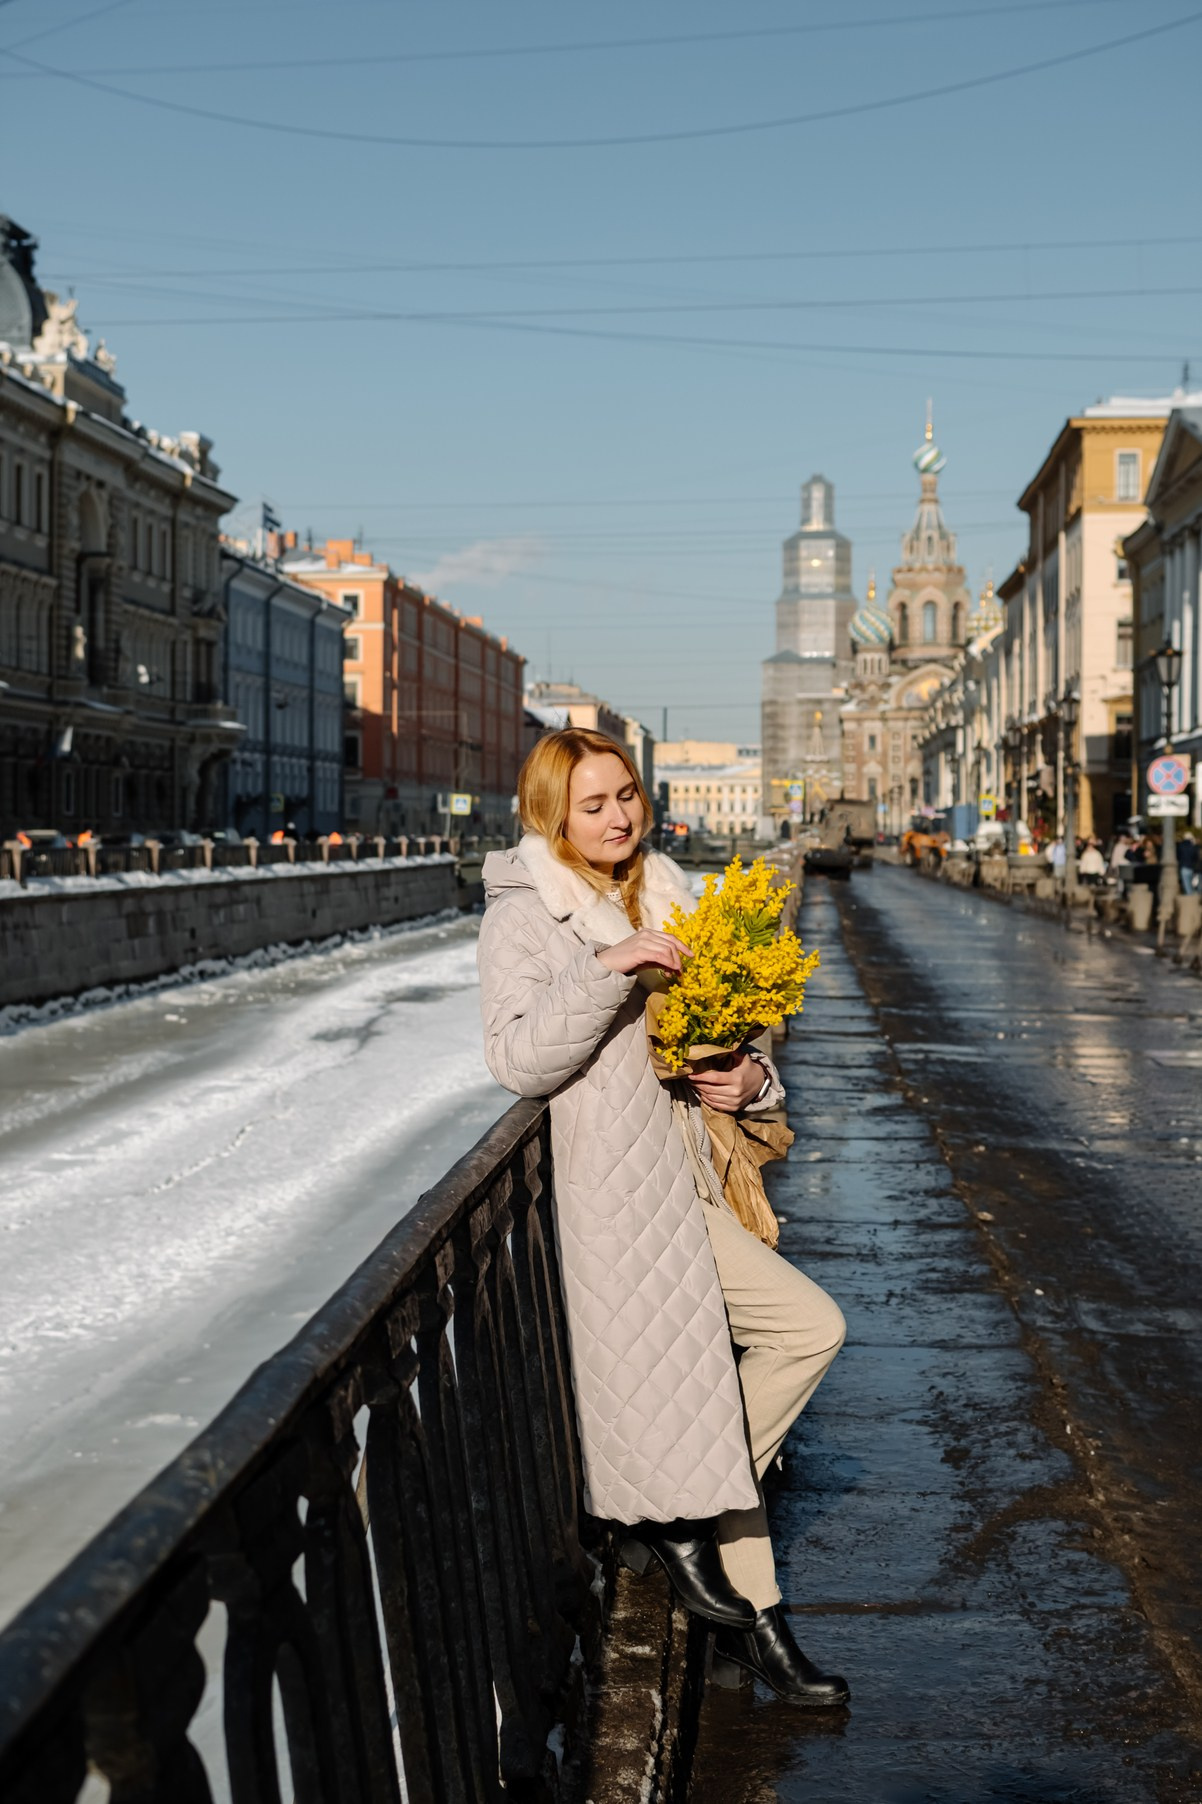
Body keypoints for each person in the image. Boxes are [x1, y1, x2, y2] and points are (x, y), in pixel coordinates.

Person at [476, 729, 848, 1708]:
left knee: (788, 1347)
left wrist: (749, 1074)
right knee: (773, 1354)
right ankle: (760, 1625)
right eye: (593, 804)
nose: (618, 816)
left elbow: (739, 1036)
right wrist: (607, 967)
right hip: (617, 1198)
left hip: (694, 1180)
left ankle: (670, 1516)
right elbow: (516, 1061)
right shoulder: (525, 915)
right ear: (552, 813)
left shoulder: (673, 889)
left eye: (626, 796)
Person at [1177, 830, 1198, 895]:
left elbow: (1178, 856)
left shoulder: (1181, 846)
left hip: (1184, 867)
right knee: (1191, 885)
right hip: (1191, 867)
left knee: (1187, 886)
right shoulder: (1193, 846)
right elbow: (1195, 857)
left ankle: (1190, 900)